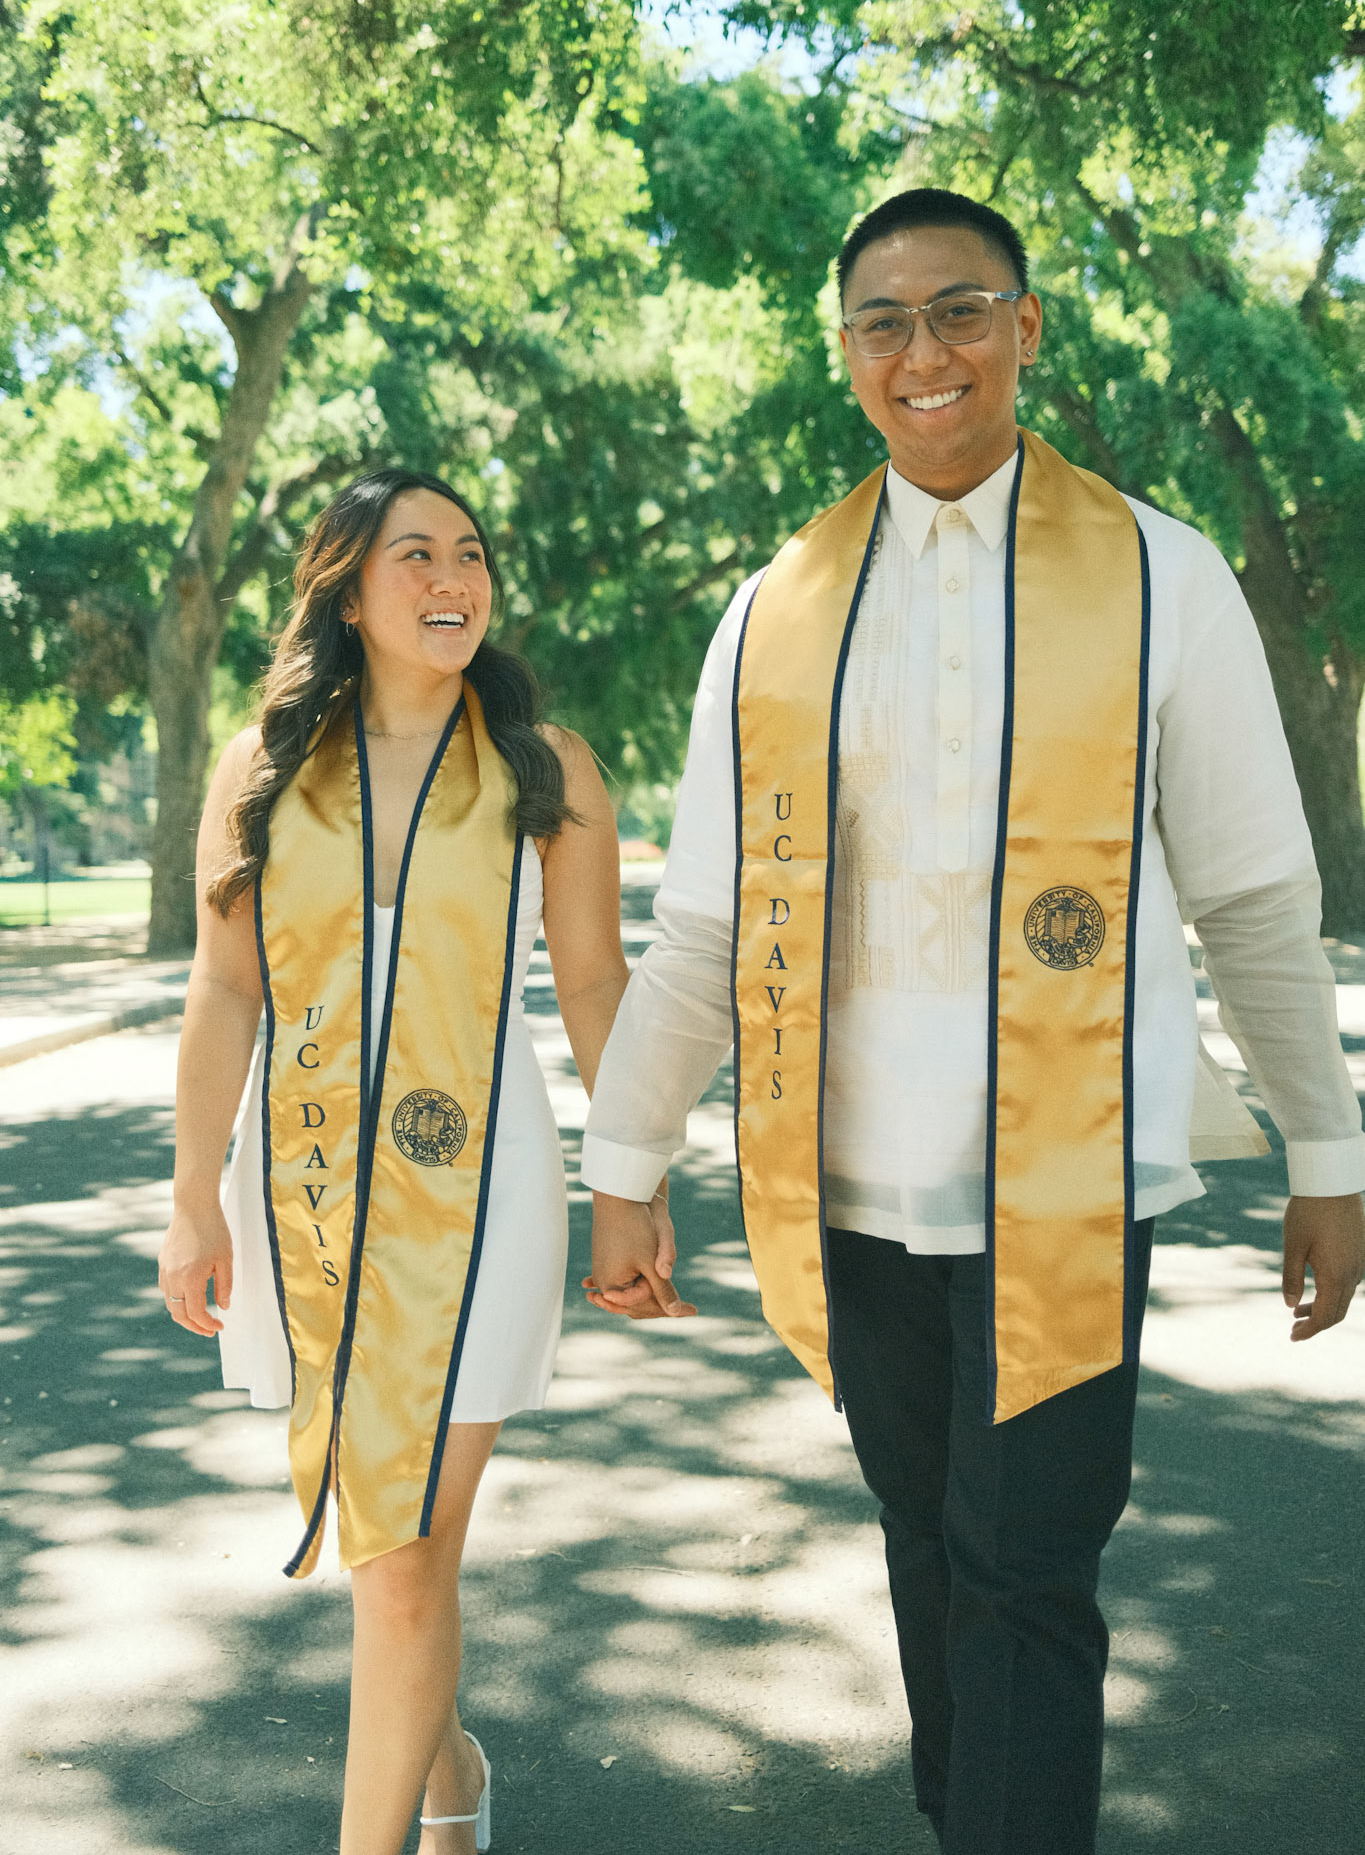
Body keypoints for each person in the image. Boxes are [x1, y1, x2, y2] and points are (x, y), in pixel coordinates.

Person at [579, 190, 1365, 1853]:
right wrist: (625, 1162)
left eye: (958, 311)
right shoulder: (775, 605)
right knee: (926, 1539)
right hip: (849, 1173)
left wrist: (1326, 1150)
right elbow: (707, 922)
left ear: (1024, 326)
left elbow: (1250, 893)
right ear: (845, 355)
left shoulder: (1161, 575)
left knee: (1026, 1567)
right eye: (882, 322)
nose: (921, 352)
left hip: (1067, 1172)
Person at [157, 467, 685, 1855]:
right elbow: (226, 989)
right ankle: (446, 1771)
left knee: (400, 1562)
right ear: (347, 588)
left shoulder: (541, 764)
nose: (454, 579)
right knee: (393, 1554)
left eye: (470, 554)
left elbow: (593, 983)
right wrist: (192, 1197)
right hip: (307, 1187)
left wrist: (631, 1181)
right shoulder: (265, 766)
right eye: (416, 556)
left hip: (482, 1191)